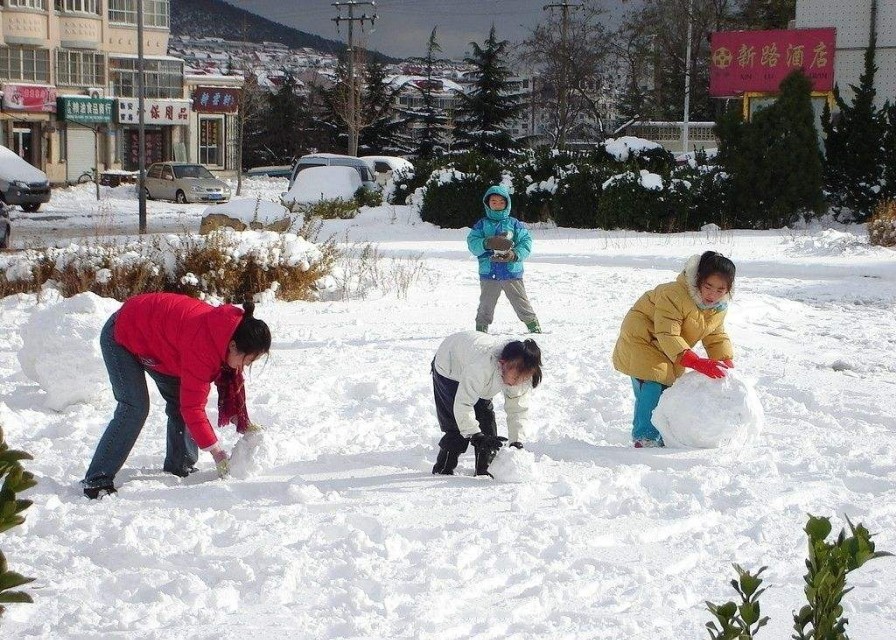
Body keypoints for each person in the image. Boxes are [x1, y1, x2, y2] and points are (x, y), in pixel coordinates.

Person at [81, 293, 271, 499]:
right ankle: (97, 480)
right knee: (134, 407)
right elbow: (193, 407)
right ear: (233, 346)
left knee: (180, 397)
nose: (245, 367)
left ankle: (180, 465)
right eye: (247, 360)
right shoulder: (203, 347)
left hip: (161, 345)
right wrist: (217, 452)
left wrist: (240, 419)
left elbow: (202, 395)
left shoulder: (228, 333)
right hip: (123, 333)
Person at [612, 251, 735, 448]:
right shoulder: (675, 294)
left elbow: (715, 335)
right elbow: (667, 332)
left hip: (668, 347)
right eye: (708, 286)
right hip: (643, 339)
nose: (713, 294)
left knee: (669, 387)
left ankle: (665, 431)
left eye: (720, 289)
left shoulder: (717, 308)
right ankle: (645, 437)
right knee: (653, 381)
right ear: (697, 280)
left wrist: (725, 361)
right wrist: (694, 361)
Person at [431, 331, 543, 477]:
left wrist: (516, 441)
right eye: (515, 377)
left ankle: (484, 470)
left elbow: (518, 410)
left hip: (474, 368)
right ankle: (443, 468)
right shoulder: (480, 368)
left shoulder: (521, 375)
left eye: (523, 378)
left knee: (486, 423)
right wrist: (475, 435)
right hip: (450, 365)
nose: (518, 382)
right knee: (457, 426)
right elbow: (463, 404)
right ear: (502, 364)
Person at [467, 184, 542, 334]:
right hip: (489, 273)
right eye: (493, 202)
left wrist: (514, 254)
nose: (497, 205)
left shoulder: (514, 224)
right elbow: (472, 244)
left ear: (507, 203)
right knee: (485, 305)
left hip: (511, 272)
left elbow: (526, 243)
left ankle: (534, 328)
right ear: (487, 203)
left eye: (501, 202)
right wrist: (486, 243)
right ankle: (480, 331)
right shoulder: (481, 224)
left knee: (521, 302)